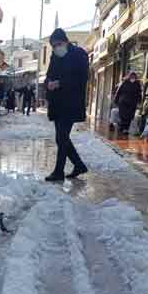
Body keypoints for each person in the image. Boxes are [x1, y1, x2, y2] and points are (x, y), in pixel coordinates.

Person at [45, 28, 89, 182]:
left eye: (58, 44)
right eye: (53, 45)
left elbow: (82, 79)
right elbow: (49, 75)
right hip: (57, 103)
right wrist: (48, 83)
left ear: (65, 41)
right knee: (61, 138)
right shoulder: (55, 56)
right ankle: (79, 165)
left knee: (62, 136)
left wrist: (60, 83)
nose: (56, 47)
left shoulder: (79, 54)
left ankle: (59, 171)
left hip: (71, 103)